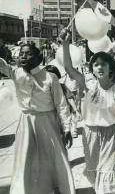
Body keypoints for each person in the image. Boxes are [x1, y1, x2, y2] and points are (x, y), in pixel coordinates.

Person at [0, 43, 75, 194]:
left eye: (28, 54)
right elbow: (2, 65)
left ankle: (58, 188)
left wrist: (67, 128)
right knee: (26, 158)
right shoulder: (16, 73)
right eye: (21, 53)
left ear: (39, 58)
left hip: (48, 123)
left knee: (53, 158)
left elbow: (61, 104)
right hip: (26, 123)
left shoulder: (50, 77)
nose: (23, 56)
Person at [60, 29, 115, 194]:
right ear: (92, 68)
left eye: (103, 64)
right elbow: (68, 68)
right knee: (94, 170)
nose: (100, 67)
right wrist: (66, 44)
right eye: (96, 64)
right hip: (90, 132)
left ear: (111, 67)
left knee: (109, 170)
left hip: (111, 133)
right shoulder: (86, 83)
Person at [45, 65, 82, 140]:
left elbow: (70, 97)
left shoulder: (62, 86)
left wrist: (76, 110)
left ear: (56, 76)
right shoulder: (43, 88)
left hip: (61, 114)